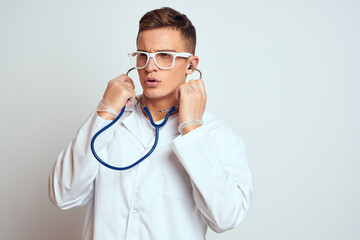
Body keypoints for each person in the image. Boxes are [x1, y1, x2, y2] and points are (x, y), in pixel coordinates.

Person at [49, 7, 252, 240]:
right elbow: (62, 195)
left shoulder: (217, 135)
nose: (149, 67)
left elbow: (225, 218)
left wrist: (192, 131)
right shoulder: (110, 122)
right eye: (143, 55)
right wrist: (103, 114)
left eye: (165, 55)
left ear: (191, 65)